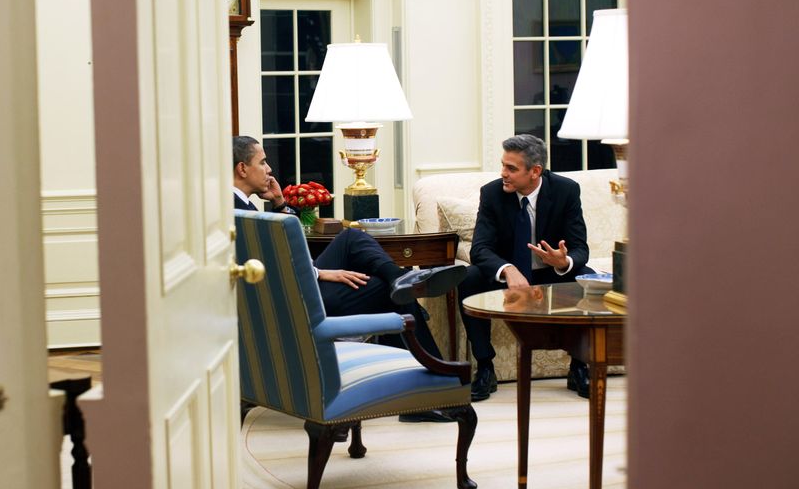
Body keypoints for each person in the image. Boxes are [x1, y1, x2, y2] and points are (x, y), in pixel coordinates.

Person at [233, 136, 467, 422]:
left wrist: (281, 202)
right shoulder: (241, 213)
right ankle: (428, 394)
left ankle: (400, 280)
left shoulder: (237, 206)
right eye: (263, 162)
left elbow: (286, 254)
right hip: (300, 300)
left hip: (300, 284)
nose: (269, 169)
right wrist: (320, 273)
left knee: (351, 237)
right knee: (387, 292)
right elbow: (274, 270)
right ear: (242, 168)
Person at [458, 134, 595, 401]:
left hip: (549, 273)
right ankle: (485, 366)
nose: (503, 174)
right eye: (503, 166)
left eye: (511, 168)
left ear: (535, 172)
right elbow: (480, 249)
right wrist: (508, 268)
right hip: (509, 275)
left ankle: (579, 366)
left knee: (586, 276)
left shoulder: (566, 190)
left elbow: (580, 249)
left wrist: (563, 262)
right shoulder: (492, 193)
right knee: (469, 277)